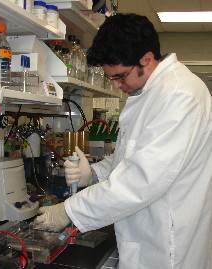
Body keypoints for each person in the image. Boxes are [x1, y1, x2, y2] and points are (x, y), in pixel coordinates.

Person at [35, 13, 212, 269]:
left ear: (147, 59)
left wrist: (68, 210)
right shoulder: (150, 90)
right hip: (146, 228)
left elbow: (141, 181)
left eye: (120, 76)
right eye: (112, 78)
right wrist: (94, 174)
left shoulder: (179, 95)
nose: (117, 85)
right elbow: (132, 156)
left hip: (166, 244)